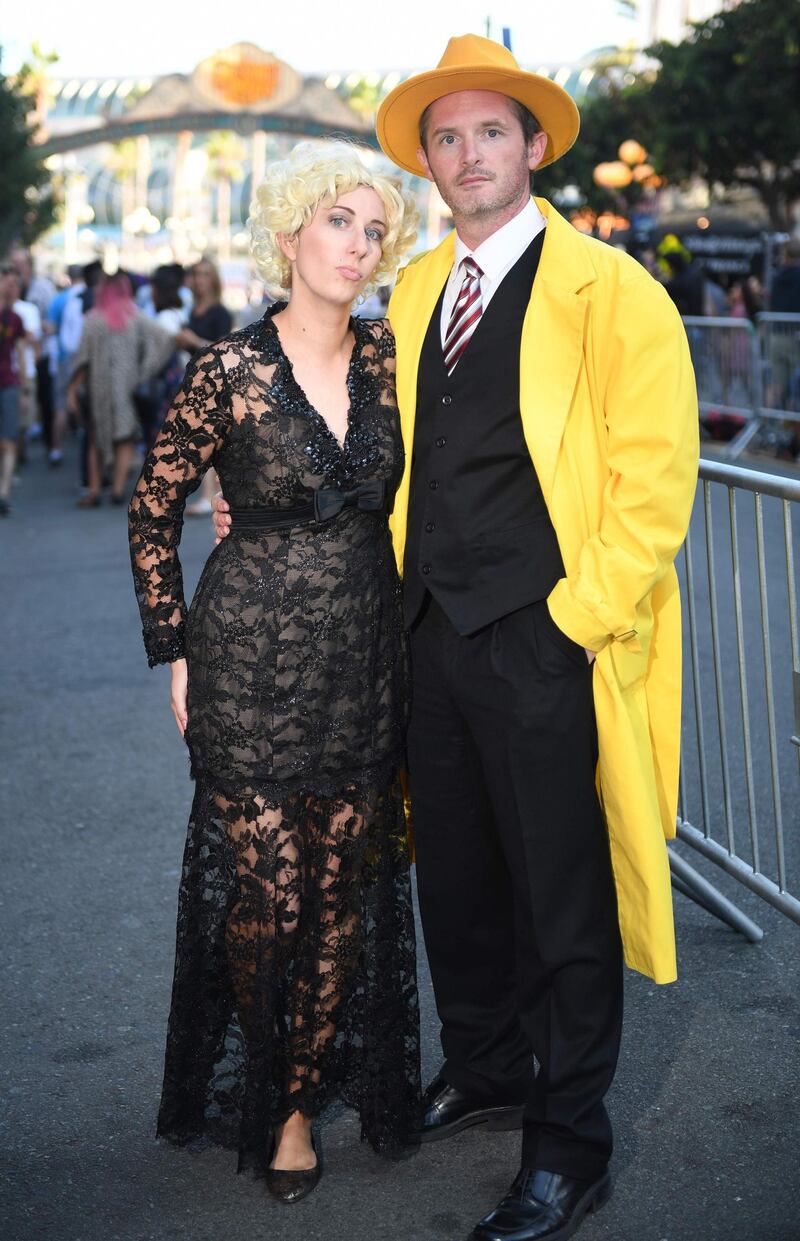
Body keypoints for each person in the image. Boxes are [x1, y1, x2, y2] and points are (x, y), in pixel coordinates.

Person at [214, 33, 699, 1241]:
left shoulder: (613, 290)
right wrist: (257, 496)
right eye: (446, 135)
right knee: (460, 884)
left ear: (532, 147)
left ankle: (567, 1141)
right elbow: (368, 446)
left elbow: (652, 483)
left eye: (491, 130)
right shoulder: (418, 286)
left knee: (561, 897)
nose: (468, 151)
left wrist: (574, 622)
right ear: (427, 161)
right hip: (424, 635)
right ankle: (485, 1065)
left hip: (547, 641)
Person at [128, 141, 420, 1202]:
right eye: (338, 220)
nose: (357, 244)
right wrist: (174, 649)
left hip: (361, 661)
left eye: (375, 228)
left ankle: (298, 1089)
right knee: (269, 891)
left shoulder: (394, 360)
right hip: (246, 655)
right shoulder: (228, 370)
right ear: (291, 232)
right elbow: (152, 508)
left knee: (342, 892)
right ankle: (279, 1100)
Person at [68, 272, 173, 505]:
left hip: (99, 388)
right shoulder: (134, 316)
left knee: (96, 437)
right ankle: (117, 490)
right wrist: (146, 369)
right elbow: (166, 338)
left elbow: (82, 360)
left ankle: (94, 490)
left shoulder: (93, 319)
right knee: (124, 438)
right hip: (128, 387)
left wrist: (72, 389)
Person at [176, 258, 233, 517]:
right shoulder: (193, 309)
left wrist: (193, 340)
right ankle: (206, 493)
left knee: (208, 439)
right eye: (196, 274)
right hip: (192, 381)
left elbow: (224, 350)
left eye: (204, 274)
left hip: (212, 383)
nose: (199, 279)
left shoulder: (220, 312)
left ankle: (209, 494)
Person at [0, 266, 30, 516]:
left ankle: (4, 493)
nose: (11, 288)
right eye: (6, 283)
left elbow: (19, 354)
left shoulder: (15, 318)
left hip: (8, 384)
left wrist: (24, 388)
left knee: (9, 441)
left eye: (13, 284)